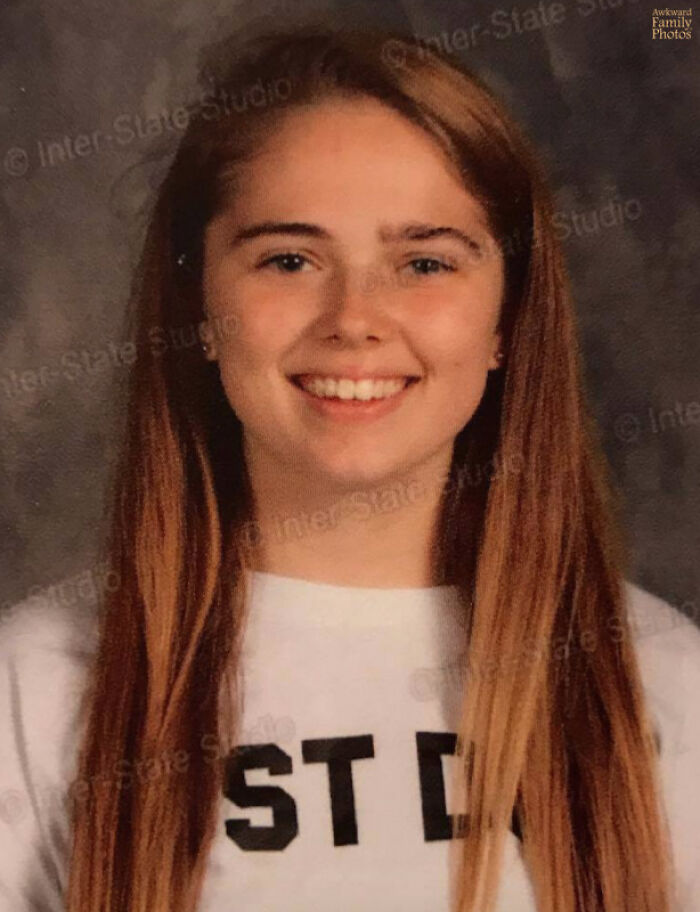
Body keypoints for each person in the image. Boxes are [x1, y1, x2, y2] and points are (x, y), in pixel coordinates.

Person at [1, 24, 699, 912]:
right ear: (203, 307)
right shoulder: (38, 683)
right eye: (290, 259)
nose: (355, 318)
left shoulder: (659, 678)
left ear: (505, 322)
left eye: (424, 262)